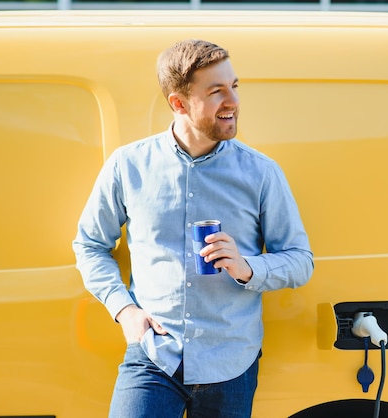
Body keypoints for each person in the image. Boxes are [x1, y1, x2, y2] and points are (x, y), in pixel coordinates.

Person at [72, 39, 314, 418]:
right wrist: (125, 310)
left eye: (234, 87)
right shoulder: (128, 166)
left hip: (231, 362)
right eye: (216, 91)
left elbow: (301, 261)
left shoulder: (261, 173)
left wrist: (247, 268)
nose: (232, 101)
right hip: (153, 355)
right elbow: (89, 244)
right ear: (179, 103)